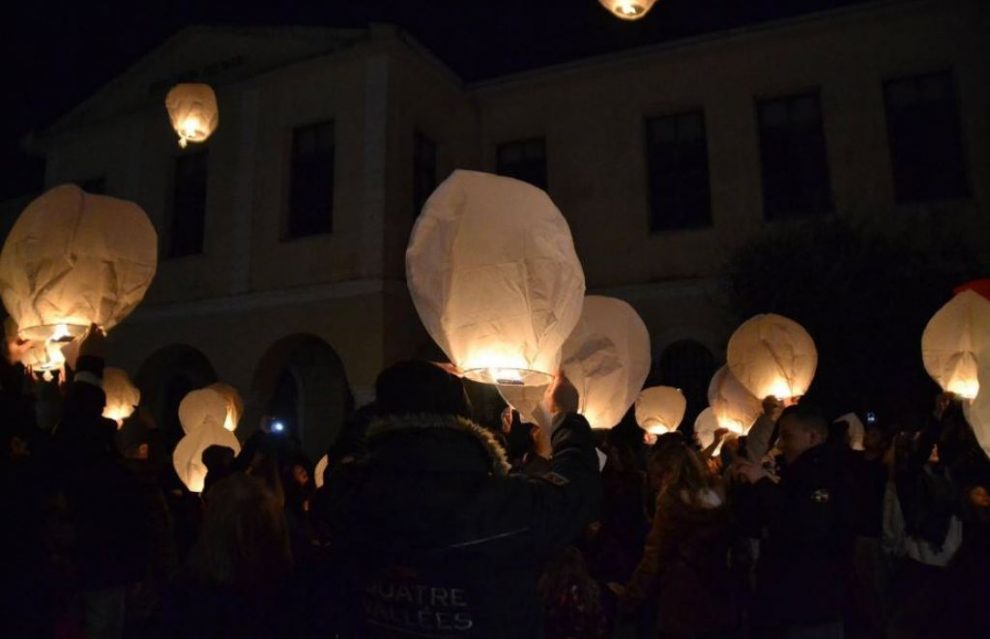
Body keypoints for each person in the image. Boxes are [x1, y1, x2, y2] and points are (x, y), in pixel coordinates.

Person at [321, 360, 601, 638]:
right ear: (466, 421)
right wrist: (566, 417)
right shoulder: (500, 505)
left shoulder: (350, 495)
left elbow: (342, 453)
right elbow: (574, 490)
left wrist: (404, 388)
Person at [734, 404, 855, 639]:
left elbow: (808, 525)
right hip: (791, 598)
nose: (781, 444)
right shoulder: (796, 473)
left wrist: (763, 485)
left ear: (812, 437)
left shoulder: (825, 474)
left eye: (787, 436)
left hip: (811, 598)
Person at [612, 440, 741, 639]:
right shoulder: (720, 495)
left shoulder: (671, 502)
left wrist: (630, 597)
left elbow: (654, 556)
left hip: (681, 596)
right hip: (718, 590)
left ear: (666, 473)